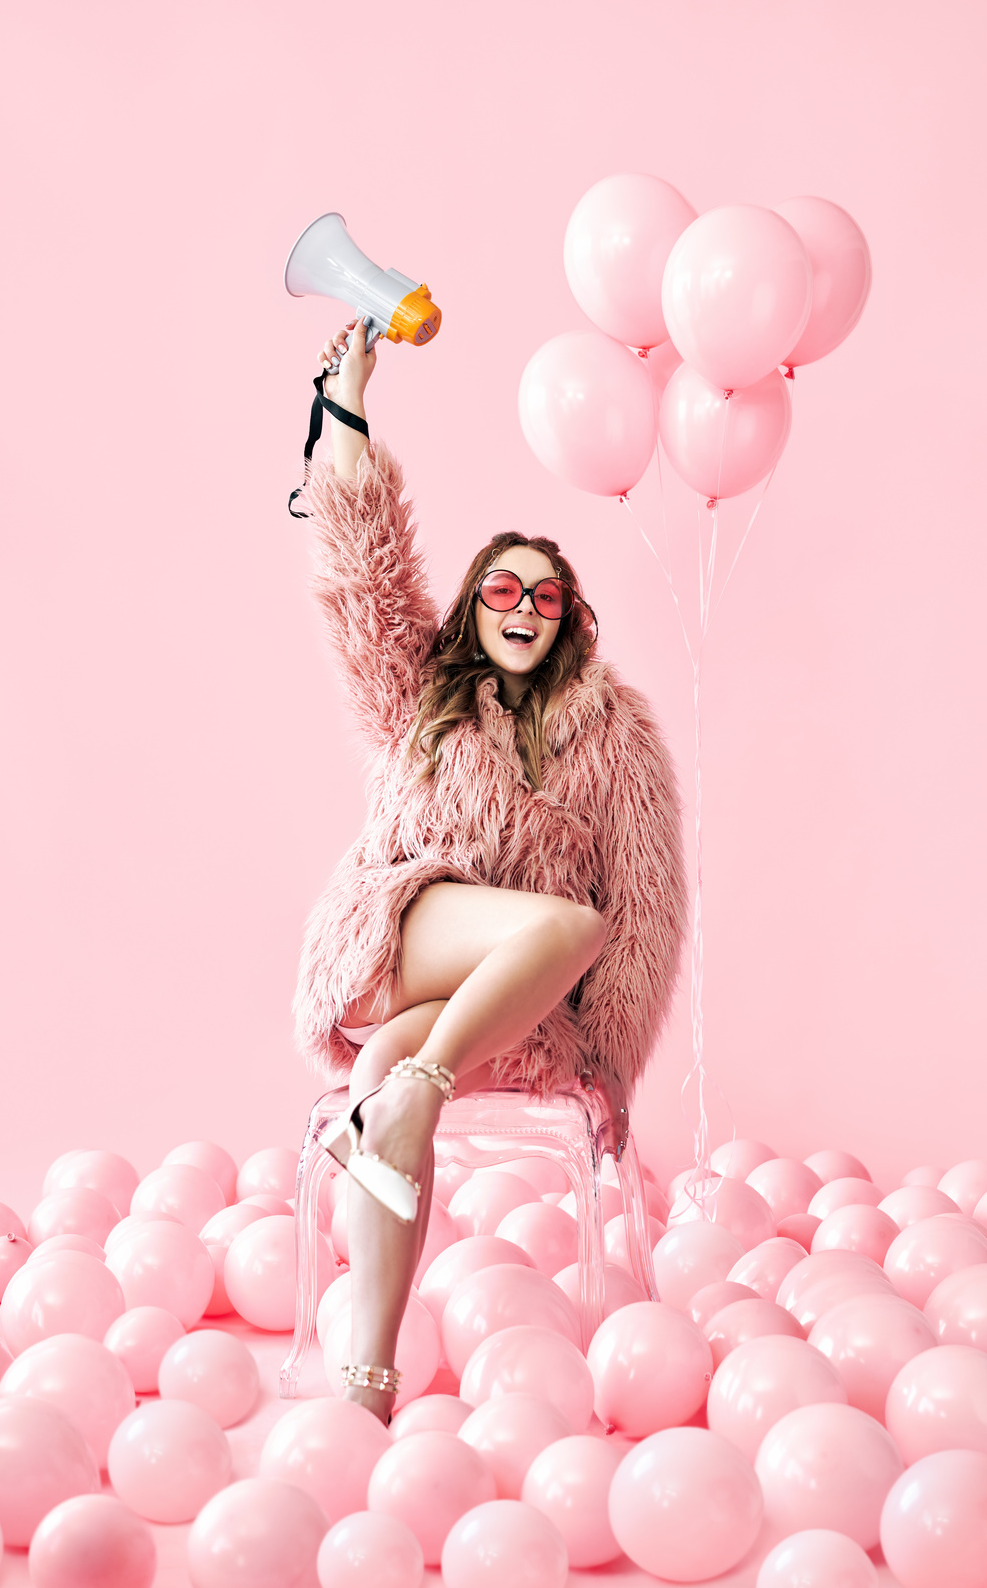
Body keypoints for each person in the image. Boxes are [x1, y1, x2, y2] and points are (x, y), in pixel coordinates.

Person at [292, 319, 687, 1422]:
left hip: (499, 1008)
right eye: (500, 592)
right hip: (398, 933)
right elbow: (363, 566)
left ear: (569, 616)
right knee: (563, 922)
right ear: (471, 610)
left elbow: (645, 900)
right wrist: (350, 401)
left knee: (390, 1082)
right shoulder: (417, 690)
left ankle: (362, 1378)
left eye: (543, 594)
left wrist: (604, 1057)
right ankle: (418, 1082)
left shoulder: (613, 735)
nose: (521, 607)